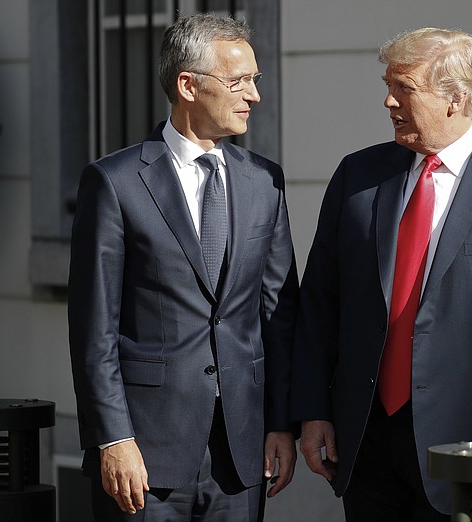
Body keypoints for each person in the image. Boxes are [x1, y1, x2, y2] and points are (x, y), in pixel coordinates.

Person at [290, 27, 472, 521]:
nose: (388, 101)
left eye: (405, 88)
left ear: (456, 98)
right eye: (389, 85)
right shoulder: (357, 177)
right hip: (367, 442)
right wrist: (314, 410)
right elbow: (320, 301)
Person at [68, 13, 299, 522]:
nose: (253, 95)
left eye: (254, 80)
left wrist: (282, 424)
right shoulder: (115, 182)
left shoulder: (266, 182)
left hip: (242, 455)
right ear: (188, 85)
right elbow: (94, 329)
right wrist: (113, 438)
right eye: (238, 81)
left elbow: (280, 315)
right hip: (144, 457)